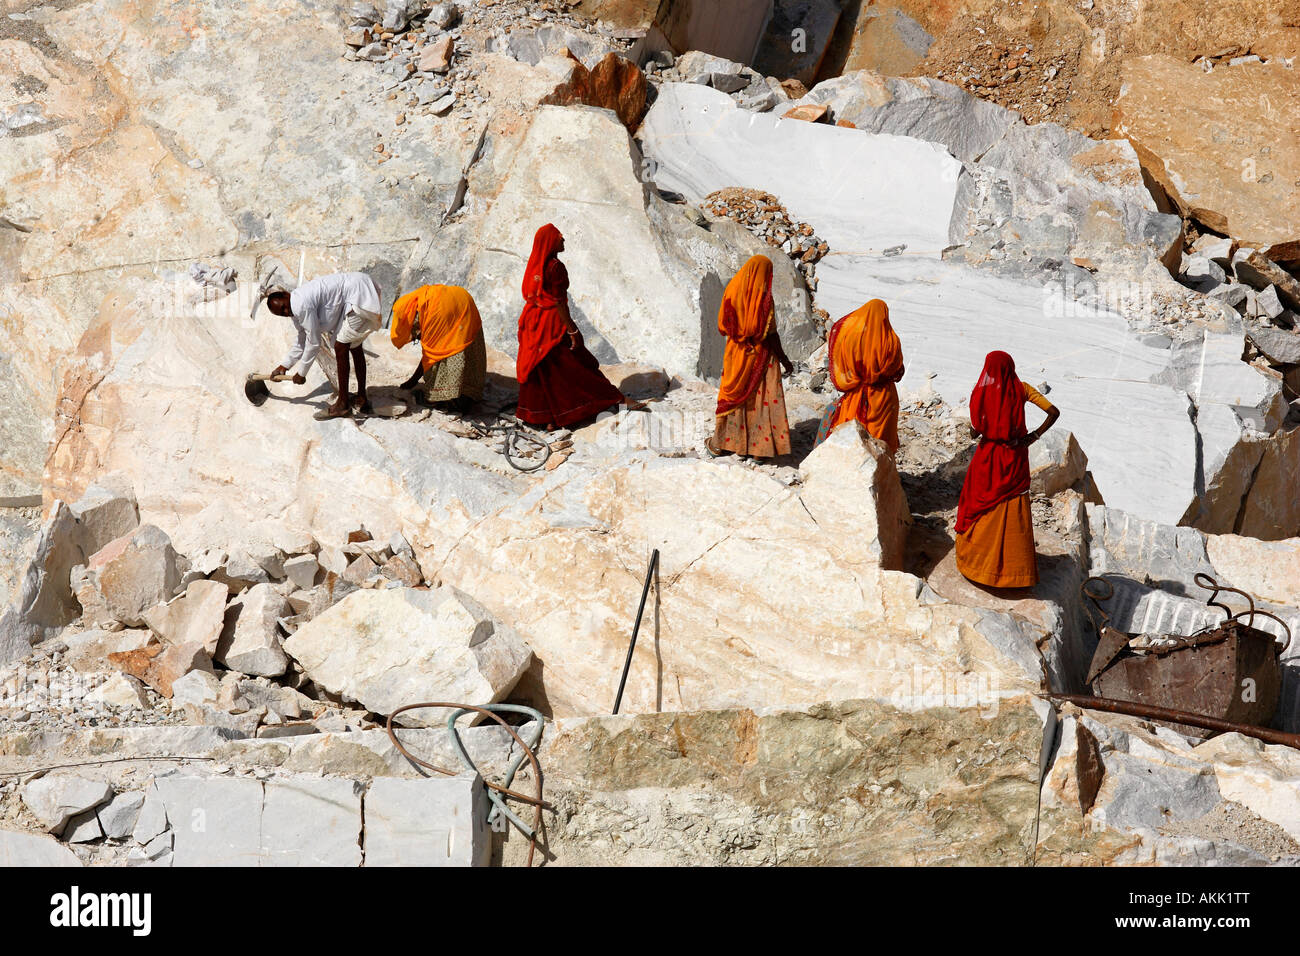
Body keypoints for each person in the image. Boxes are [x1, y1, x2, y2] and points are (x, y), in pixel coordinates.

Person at [954, 350, 1060, 589]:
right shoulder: (1022, 388)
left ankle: (977, 565)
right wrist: (1033, 436)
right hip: (1014, 455)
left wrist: (982, 427)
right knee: (1011, 504)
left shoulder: (982, 391)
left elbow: (976, 429)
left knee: (981, 504)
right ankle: (1014, 570)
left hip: (989, 457)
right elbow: (1054, 412)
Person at [515, 223, 626, 430]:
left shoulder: (539, 265)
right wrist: (572, 329)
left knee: (542, 368)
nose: (563, 239)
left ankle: (543, 416)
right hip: (551, 324)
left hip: (534, 322)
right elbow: (558, 301)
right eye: (559, 237)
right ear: (550, 242)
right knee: (571, 365)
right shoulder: (555, 267)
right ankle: (607, 399)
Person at [706, 254, 793, 459]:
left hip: (736, 356)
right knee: (761, 400)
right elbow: (771, 333)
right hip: (762, 356)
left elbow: (723, 326)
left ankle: (722, 444)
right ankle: (759, 450)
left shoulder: (732, 291)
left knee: (734, 397)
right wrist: (784, 359)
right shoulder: (763, 300)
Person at [267, 271, 382, 420]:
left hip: (358, 294)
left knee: (341, 346)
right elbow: (302, 339)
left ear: (286, 294)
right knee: (354, 346)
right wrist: (284, 366)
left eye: (284, 307)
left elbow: (314, 342)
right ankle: (361, 397)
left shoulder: (300, 305)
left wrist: (301, 373)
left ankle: (342, 404)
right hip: (356, 291)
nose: (286, 312)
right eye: (282, 314)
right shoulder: (294, 308)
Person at [813, 298, 904, 451]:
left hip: (858, 395)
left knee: (850, 435)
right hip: (885, 398)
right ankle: (881, 471)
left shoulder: (854, 338)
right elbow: (898, 371)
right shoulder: (892, 341)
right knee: (881, 440)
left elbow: (842, 362)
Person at [391, 284, 487, 413]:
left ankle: (438, 399)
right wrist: (413, 380)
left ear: (415, 326)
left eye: (415, 337)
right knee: (463, 344)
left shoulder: (429, 317)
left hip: (446, 308)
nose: (417, 340)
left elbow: (430, 356)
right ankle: (468, 391)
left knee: (446, 351)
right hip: (463, 302)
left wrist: (413, 380)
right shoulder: (416, 304)